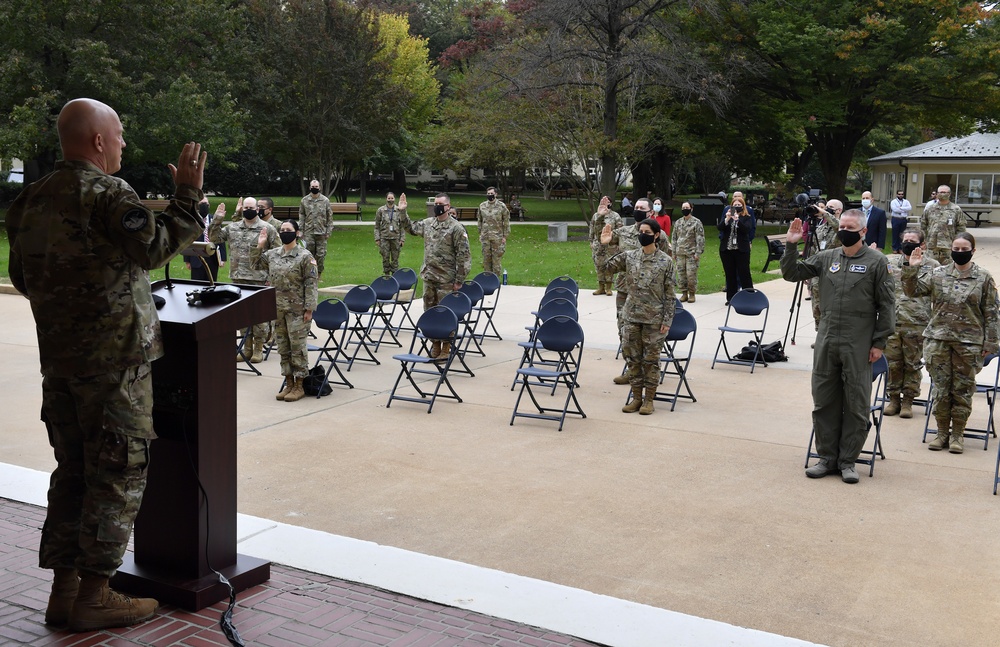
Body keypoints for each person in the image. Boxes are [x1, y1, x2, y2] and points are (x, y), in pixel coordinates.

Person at [5, 98, 206, 631]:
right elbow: (155, 248)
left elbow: (24, 278)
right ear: (97, 141)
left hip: (62, 367)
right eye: (118, 135)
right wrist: (188, 193)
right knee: (118, 472)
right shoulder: (109, 193)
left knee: (73, 472)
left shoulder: (30, 200)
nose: (123, 144)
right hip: (117, 367)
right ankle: (96, 593)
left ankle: (63, 592)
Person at [780, 209, 895, 484]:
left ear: (863, 231)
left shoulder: (877, 262)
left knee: (856, 404)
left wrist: (879, 342)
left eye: (850, 226)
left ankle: (848, 461)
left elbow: (887, 305)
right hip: (828, 340)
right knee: (824, 401)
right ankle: (827, 458)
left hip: (858, 343)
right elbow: (792, 273)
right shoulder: (827, 257)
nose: (844, 230)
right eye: (841, 225)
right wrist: (792, 244)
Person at [903, 232, 999, 453]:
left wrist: (991, 343)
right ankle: (941, 433)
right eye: (956, 248)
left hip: (969, 343)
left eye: (965, 249)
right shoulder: (938, 274)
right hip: (938, 341)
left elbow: (992, 313)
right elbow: (912, 291)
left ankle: (957, 435)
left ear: (973, 251)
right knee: (941, 390)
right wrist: (912, 267)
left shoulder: (983, 277)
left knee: (962, 390)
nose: (960, 252)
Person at [601, 218, 676, 415]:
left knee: (650, 361)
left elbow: (670, 295)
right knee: (633, 359)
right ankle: (636, 398)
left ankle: (649, 400)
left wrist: (667, 321)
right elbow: (606, 268)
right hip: (631, 317)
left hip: (654, 320)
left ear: (656, 235)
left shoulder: (665, 262)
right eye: (640, 231)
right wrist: (607, 245)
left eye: (646, 232)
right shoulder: (630, 257)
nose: (642, 235)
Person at [250, 219, 319, 402]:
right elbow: (255, 264)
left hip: (297, 311)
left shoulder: (305, 256)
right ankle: (288, 382)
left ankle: (299, 385)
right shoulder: (273, 254)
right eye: (282, 230)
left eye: (288, 230)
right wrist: (260, 245)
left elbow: (311, 284)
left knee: (297, 348)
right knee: (283, 347)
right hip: (278, 309)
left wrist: (309, 309)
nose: (284, 232)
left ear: (297, 233)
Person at [603, 199, 670, 385]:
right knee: (625, 333)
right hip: (626, 291)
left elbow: (665, 259)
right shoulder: (624, 232)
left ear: (650, 213)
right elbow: (603, 239)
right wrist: (601, 220)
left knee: (647, 337)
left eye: (642, 208)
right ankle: (632, 370)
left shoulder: (659, 235)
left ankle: (648, 373)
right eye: (636, 208)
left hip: (650, 296)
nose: (638, 211)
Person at [398, 192, 471, 359]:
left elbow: (464, 256)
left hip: (446, 279)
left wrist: (459, 280)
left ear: (448, 207)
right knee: (429, 312)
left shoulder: (456, 228)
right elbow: (410, 228)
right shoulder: (428, 223)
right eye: (435, 203)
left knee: (446, 313)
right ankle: (435, 344)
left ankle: (447, 347)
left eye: (440, 204)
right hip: (429, 277)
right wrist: (402, 211)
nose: (436, 207)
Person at [208, 196, 281, 362]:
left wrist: (271, 276)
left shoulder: (267, 228)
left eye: (251, 207)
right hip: (238, 277)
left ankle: (258, 349)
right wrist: (218, 218)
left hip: (259, 278)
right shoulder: (233, 227)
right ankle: (246, 348)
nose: (248, 210)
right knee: (241, 315)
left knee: (258, 316)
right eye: (245, 207)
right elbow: (214, 238)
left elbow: (277, 253)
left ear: (257, 209)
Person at [884, 228, 939, 418]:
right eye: (905, 239)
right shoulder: (889, 262)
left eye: (912, 240)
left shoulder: (932, 265)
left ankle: (908, 400)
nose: (908, 242)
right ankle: (893, 399)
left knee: (912, 364)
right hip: (892, 321)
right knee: (892, 363)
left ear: (922, 245)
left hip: (917, 323)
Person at [805, 199, 842, 331]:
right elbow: (813, 251)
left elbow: (840, 229)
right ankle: (820, 334)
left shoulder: (843, 226)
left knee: (832, 307)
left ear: (839, 210)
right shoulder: (820, 229)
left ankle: (830, 335)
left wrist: (825, 213)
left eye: (830, 207)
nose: (825, 210)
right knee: (817, 306)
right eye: (825, 207)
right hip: (818, 272)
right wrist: (807, 271)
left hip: (835, 272)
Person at [717, 196, 754, 304]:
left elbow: (747, 229)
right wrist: (727, 219)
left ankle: (749, 297)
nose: (736, 207)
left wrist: (737, 220)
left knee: (744, 273)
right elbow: (720, 228)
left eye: (739, 205)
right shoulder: (727, 216)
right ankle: (731, 298)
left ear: (743, 206)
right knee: (730, 274)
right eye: (734, 205)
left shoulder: (746, 216)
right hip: (727, 250)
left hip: (741, 250)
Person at [920, 185, 966, 265]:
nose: (942, 194)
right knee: (929, 268)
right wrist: (923, 240)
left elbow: (961, 227)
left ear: (949, 194)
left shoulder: (956, 209)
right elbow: (923, 225)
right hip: (932, 245)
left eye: (944, 192)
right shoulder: (930, 208)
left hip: (948, 245)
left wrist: (958, 242)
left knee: (948, 269)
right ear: (937, 194)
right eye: (940, 192)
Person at [184, 197, 227, 281]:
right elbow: (187, 241)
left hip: (212, 257)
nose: (204, 206)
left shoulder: (215, 220)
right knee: (197, 284)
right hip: (196, 257)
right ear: (197, 206)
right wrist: (187, 260)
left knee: (212, 283)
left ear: (209, 205)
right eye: (201, 204)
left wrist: (223, 258)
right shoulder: (192, 220)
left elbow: (221, 240)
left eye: (206, 204)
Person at [671, 201, 705, 303]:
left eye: (687, 207)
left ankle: (692, 294)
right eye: (683, 207)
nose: (685, 209)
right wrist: (673, 252)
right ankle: (684, 293)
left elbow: (700, 238)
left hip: (691, 253)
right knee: (681, 275)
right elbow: (674, 238)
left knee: (691, 275)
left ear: (691, 208)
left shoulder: (696, 222)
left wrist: (698, 253)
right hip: (680, 253)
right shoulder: (678, 222)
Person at [298, 179, 334, 276]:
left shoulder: (325, 200)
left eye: (316, 187)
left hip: (321, 232)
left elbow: (329, 217)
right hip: (308, 232)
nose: (314, 188)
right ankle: (309, 274)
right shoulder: (304, 200)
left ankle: (319, 274)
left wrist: (329, 231)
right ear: (310, 187)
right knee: (309, 254)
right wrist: (301, 230)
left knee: (321, 255)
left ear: (320, 188)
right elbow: (302, 215)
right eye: (313, 187)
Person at [589, 195, 623, 295]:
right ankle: (601, 287)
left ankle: (608, 287)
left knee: (609, 266)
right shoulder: (596, 215)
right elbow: (592, 228)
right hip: (598, 245)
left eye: (607, 201)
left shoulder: (615, 216)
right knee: (599, 266)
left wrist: (617, 242)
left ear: (610, 203)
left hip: (611, 245)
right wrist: (591, 241)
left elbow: (620, 229)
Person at [476, 186, 510, 275]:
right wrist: (480, 233)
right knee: (486, 259)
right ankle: (487, 279)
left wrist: (505, 236)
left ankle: (496, 280)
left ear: (496, 194)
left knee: (496, 260)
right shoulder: (482, 206)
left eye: (492, 193)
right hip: (485, 236)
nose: (490, 195)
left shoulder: (501, 206)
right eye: (488, 194)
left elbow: (506, 221)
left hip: (497, 237)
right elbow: (479, 220)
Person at [373, 192, 406, 275]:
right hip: (384, 238)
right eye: (389, 198)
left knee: (395, 259)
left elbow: (402, 226)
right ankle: (387, 276)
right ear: (386, 199)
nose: (390, 200)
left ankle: (395, 276)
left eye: (392, 198)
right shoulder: (380, 210)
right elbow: (376, 226)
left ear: (394, 199)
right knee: (385, 257)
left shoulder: (399, 210)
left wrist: (402, 239)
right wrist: (377, 238)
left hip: (396, 238)